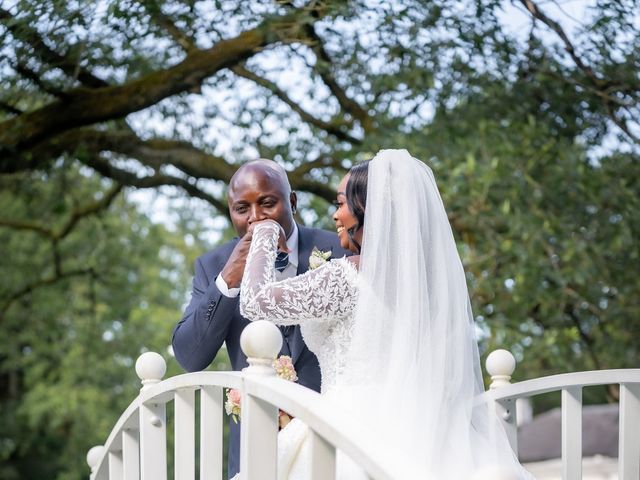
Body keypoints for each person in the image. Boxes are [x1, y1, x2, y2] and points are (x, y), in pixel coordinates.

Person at [237, 150, 533, 479]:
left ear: (369, 211)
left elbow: (255, 302)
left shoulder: (347, 277)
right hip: (424, 431)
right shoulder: (429, 289)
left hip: (347, 430)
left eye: (341, 204)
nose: (335, 216)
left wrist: (265, 231)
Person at [172, 159, 349, 479]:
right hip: (256, 452)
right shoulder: (213, 265)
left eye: (267, 203)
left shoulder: (339, 248)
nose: (256, 218)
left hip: (333, 443)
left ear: (292, 202)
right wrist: (228, 279)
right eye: (242, 209)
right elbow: (190, 356)